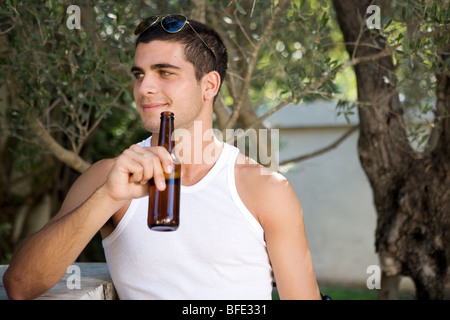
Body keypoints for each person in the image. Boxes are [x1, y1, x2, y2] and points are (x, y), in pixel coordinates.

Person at [3, 14, 321, 300]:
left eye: (164, 73)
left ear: (209, 85)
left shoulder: (264, 189)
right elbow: (20, 285)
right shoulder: (109, 177)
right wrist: (109, 196)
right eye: (139, 74)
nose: (144, 88)